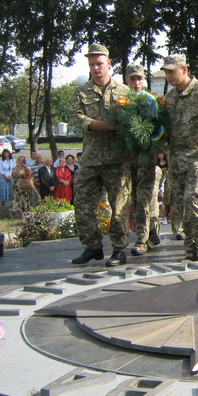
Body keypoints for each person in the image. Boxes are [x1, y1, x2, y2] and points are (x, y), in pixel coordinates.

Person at [70, 43, 132, 267]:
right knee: (82, 204)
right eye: (92, 64)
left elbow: (135, 122)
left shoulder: (124, 91)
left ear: (109, 64)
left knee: (119, 207)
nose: (96, 68)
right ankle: (93, 247)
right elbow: (75, 117)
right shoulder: (82, 92)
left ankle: (118, 249)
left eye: (99, 63)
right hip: (91, 158)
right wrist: (99, 125)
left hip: (117, 160)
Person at [162, 54, 198, 261]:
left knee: (194, 199)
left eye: (172, 71)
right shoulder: (169, 98)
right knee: (180, 204)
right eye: (166, 72)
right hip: (177, 159)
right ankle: (191, 251)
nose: (168, 75)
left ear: (184, 69)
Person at [125, 63, 162, 256]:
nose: (136, 82)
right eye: (133, 78)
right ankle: (152, 229)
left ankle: (141, 240)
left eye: (139, 78)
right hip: (127, 158)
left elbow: (159, 128)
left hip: (146, 156)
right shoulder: (122, 101)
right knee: (132, 199)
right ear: (127, 80)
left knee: (144, 199)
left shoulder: (150, 100)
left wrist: (151, 145)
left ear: (144, 80)